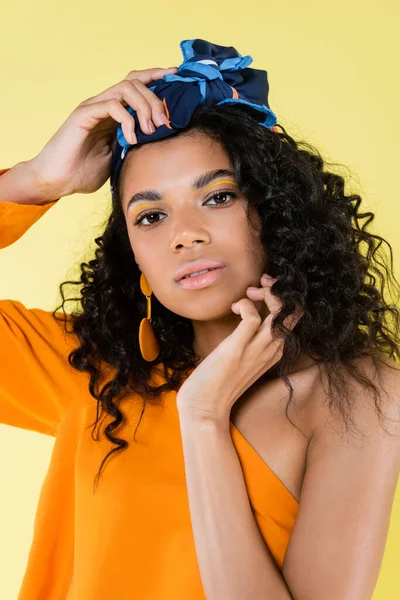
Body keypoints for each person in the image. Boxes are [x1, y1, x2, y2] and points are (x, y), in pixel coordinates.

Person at [1, 38, 399, 600]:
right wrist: (35, 183)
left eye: (217, 197)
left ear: (276, 215)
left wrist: (205, 415)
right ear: (132, 255)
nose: (184, 234)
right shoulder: (91, 373)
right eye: (151, 214)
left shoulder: (354, 393)